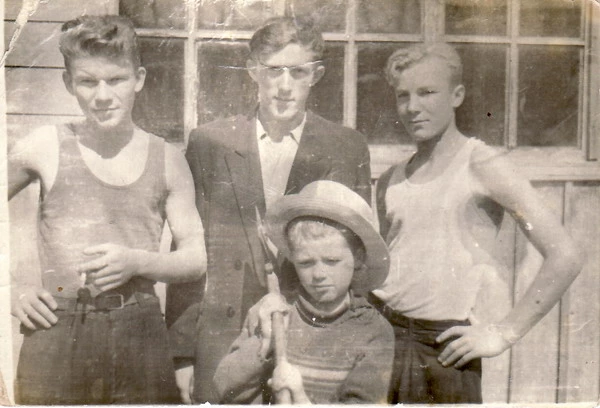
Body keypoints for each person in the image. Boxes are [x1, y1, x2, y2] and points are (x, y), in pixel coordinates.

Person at [166, 16, 371, 403]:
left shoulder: (346, 147)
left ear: (316, 75)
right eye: (274, 71)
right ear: (253, 71)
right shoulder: (210, 142)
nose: (284, 85)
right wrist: (182, 354)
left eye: (298, 72)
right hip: (225, 340)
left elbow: (359, 261)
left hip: (313, 336)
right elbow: (188, 249)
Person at [8, 15, 207, 404]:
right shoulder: (44, 145)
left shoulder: (167, 158)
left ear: (139, 79)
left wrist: (137, 262)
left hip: (140, 332)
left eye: (116, 80)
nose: (102, 95)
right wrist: (11, 290)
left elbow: (196, 257)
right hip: (58, 328)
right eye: (88, 81)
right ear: (69, 83)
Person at [373, 43, 584, 403]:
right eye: (403, 96)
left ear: (457, 96)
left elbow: (566, 255)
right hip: (383, 338)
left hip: (442, 348)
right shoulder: (391, 178)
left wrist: (503, 333)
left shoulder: (481, 164)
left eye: (427, 92)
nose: (412, 107)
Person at [213, 180, 394, 404]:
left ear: (357, 258)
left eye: (332, 261)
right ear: (292, 259)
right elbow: (222, 387)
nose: (318, 274)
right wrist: (264, 341)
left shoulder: (373, 330)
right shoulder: (273, 312)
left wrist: (299, 397)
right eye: (306, 263)